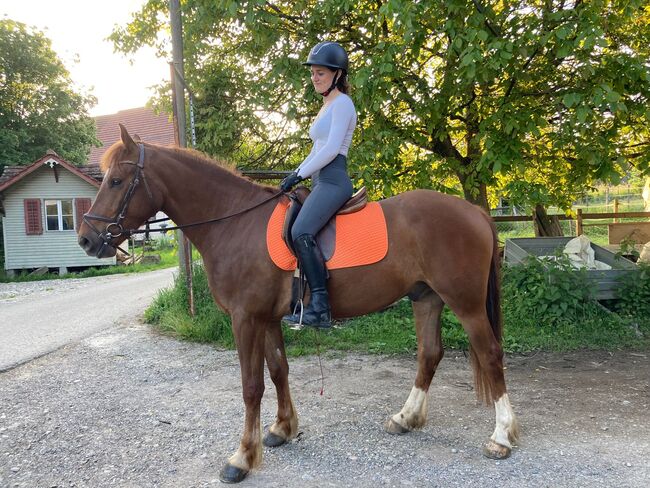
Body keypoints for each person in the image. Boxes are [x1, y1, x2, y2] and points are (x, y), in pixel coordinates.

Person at [279, 41, 357, 329]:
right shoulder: (326, 106)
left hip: (334, 180)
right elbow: (317, 150)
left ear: (337, 75)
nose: (314, 77)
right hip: (320, 178)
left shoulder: (343, 104)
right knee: (290, 225)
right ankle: (299, 299)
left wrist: (300, 175)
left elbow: (332, 149)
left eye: (321, 73)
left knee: (301, 231)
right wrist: (295, 172)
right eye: (312, 72)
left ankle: (321, 307)